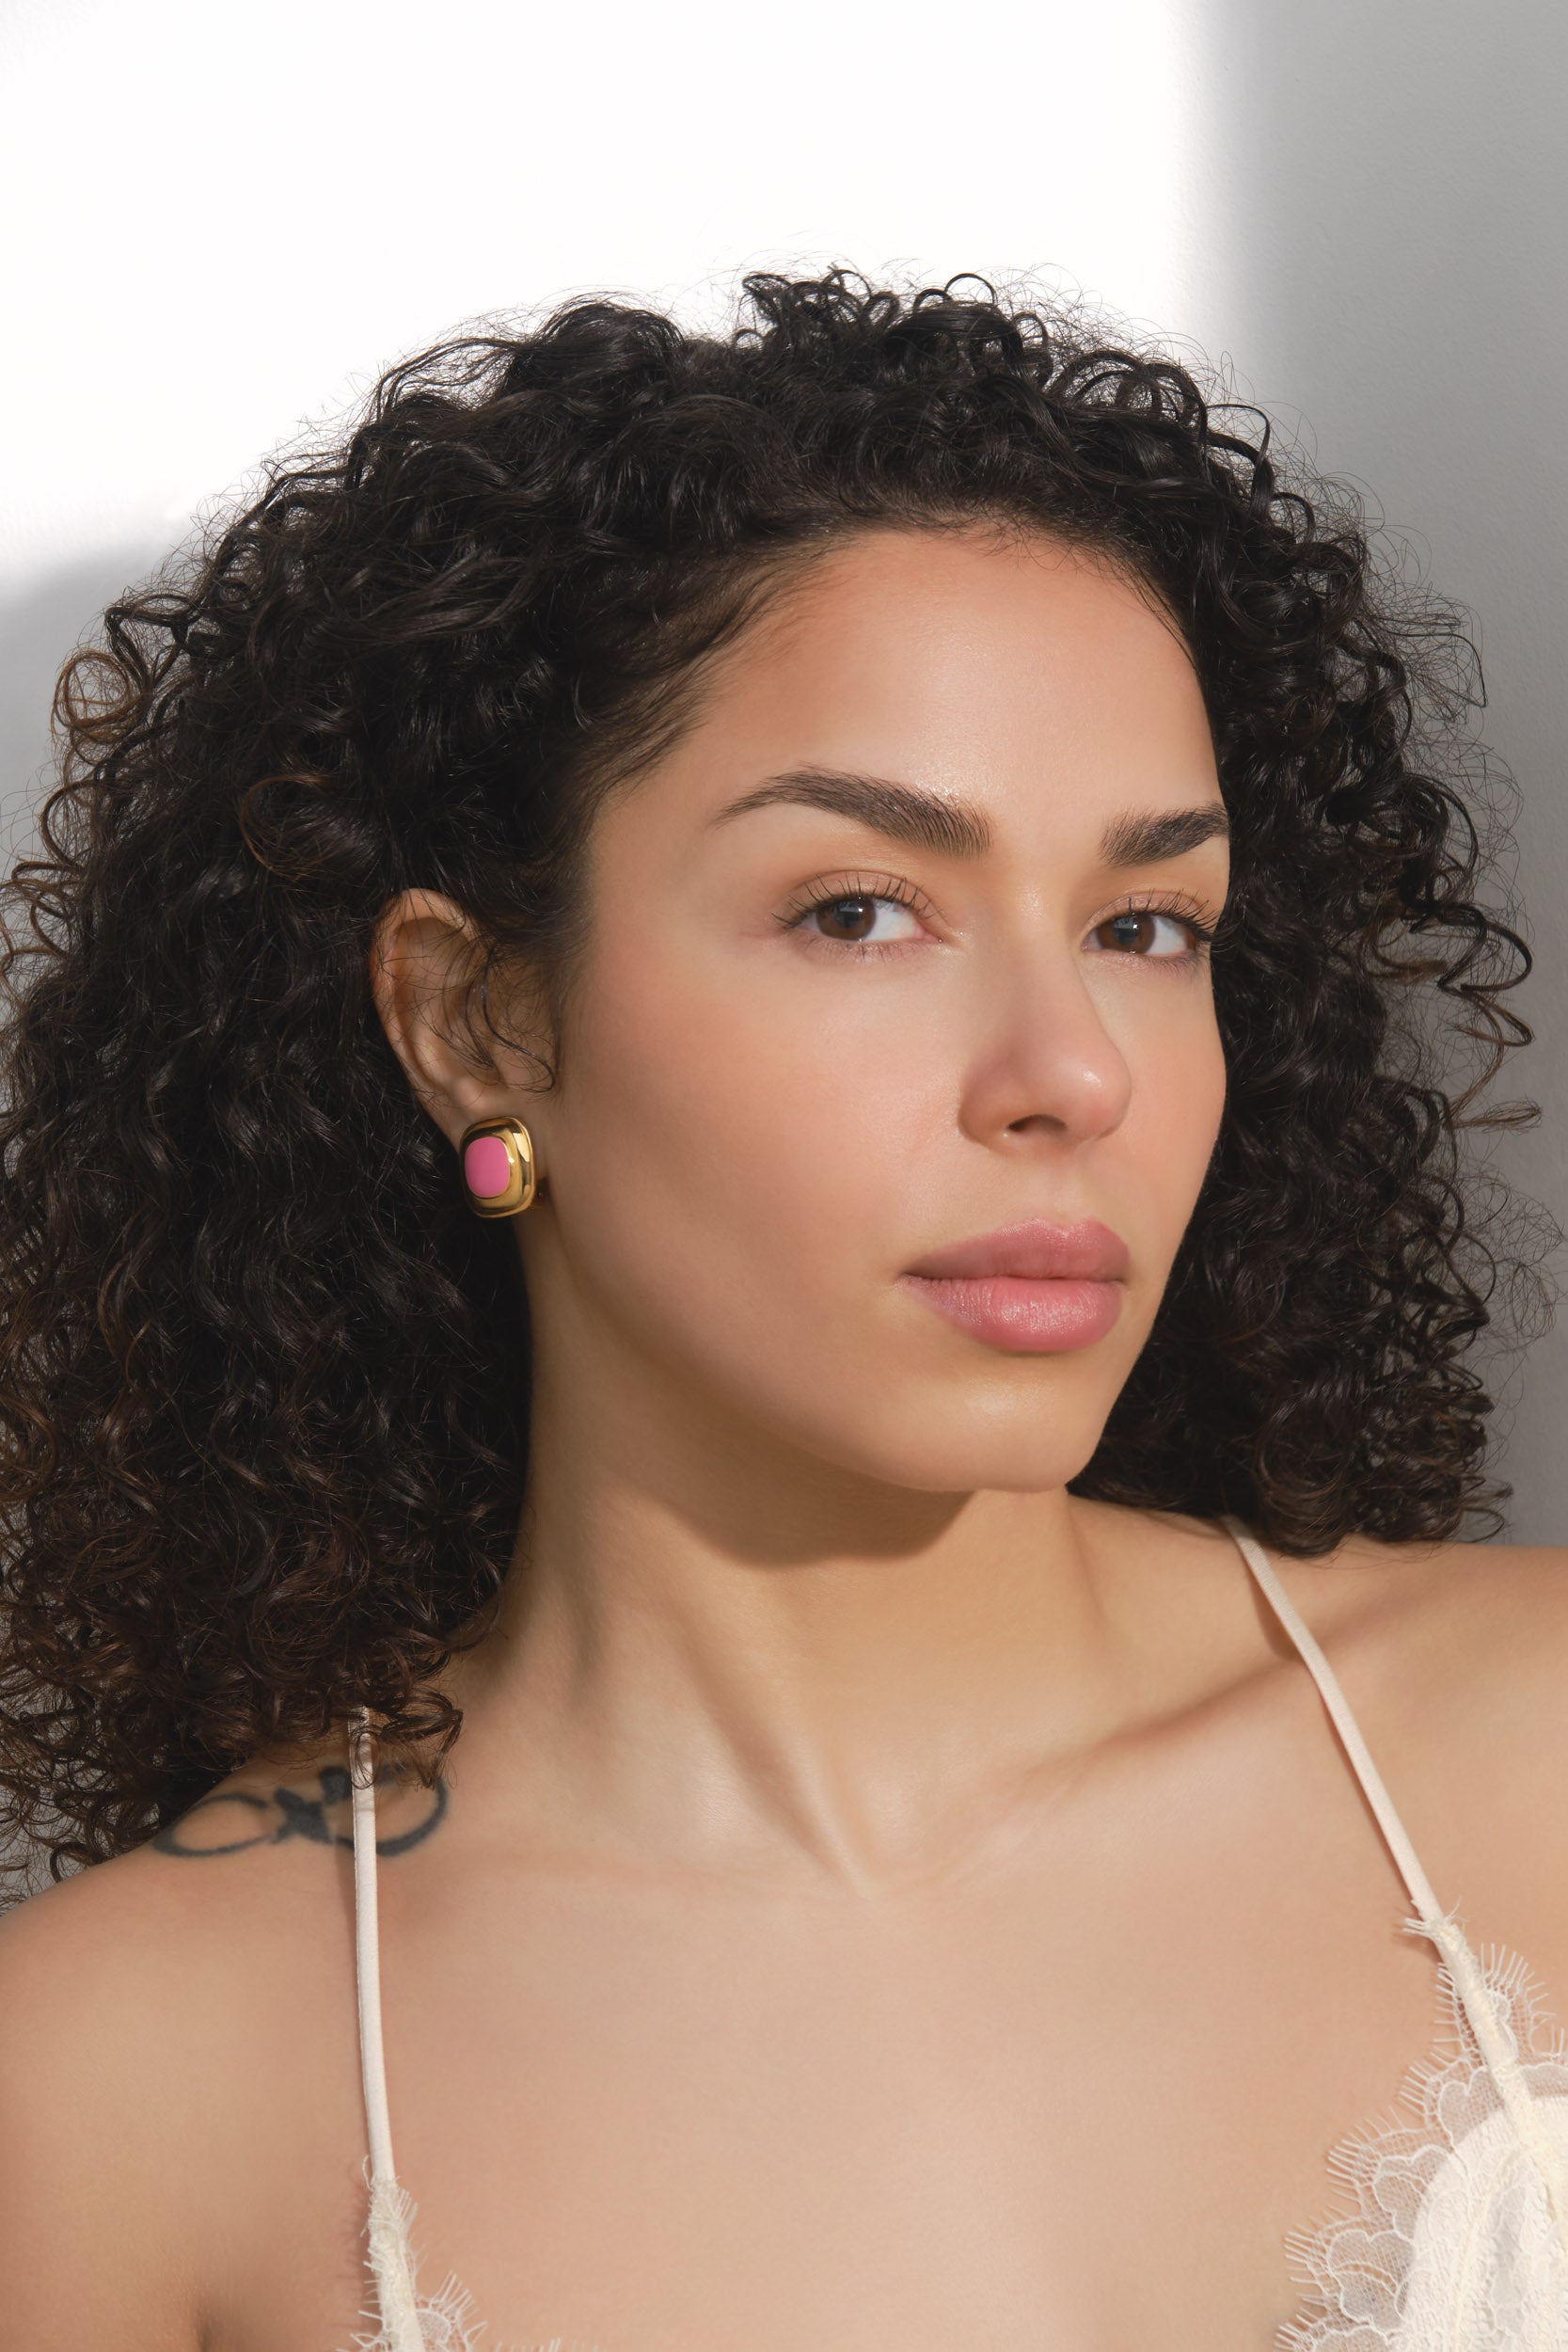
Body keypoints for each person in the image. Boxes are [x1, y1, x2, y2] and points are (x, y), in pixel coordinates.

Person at [0, 265, 1561, 2352]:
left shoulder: (1538, 1749)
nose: (1070, 1072)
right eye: (860, 909)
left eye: (1146, 924)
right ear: (478, 1021)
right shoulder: (117, 2093)